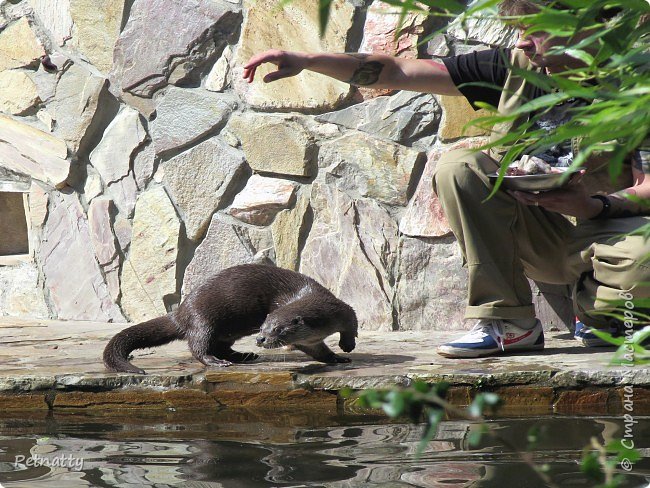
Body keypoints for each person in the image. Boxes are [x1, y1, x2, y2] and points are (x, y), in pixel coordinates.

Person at [243, 0, 650, 358]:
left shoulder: (639, 85)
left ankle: (605, 313)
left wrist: (595, 205)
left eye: (535, 32)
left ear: (583, 29)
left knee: (641, 260)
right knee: (460, 165)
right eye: (521, 32)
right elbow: (399, 71)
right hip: (545, 237)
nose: (523, 43)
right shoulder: (515, 67)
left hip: (608, 234)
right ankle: (510, 324)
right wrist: (311, 61)